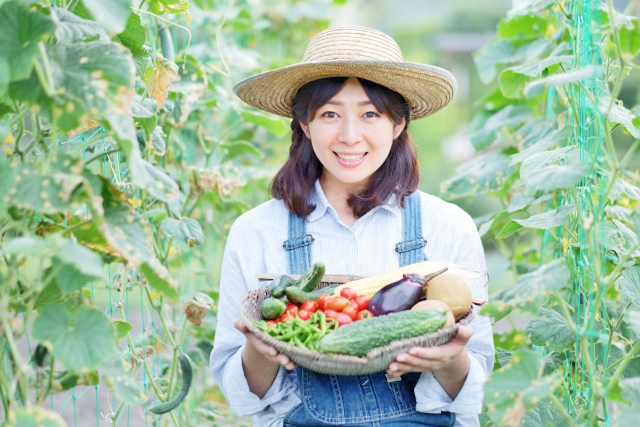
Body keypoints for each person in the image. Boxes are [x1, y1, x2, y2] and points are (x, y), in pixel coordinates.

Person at [210, 26, 494, 427]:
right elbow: (242, 400)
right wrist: (259, 350)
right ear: (304, 125)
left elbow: (474, 394)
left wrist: (452, 360)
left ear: (398, 125)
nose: (349, 136)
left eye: (370, 114)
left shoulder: (448, 227)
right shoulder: (256, 231)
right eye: (329, 113)